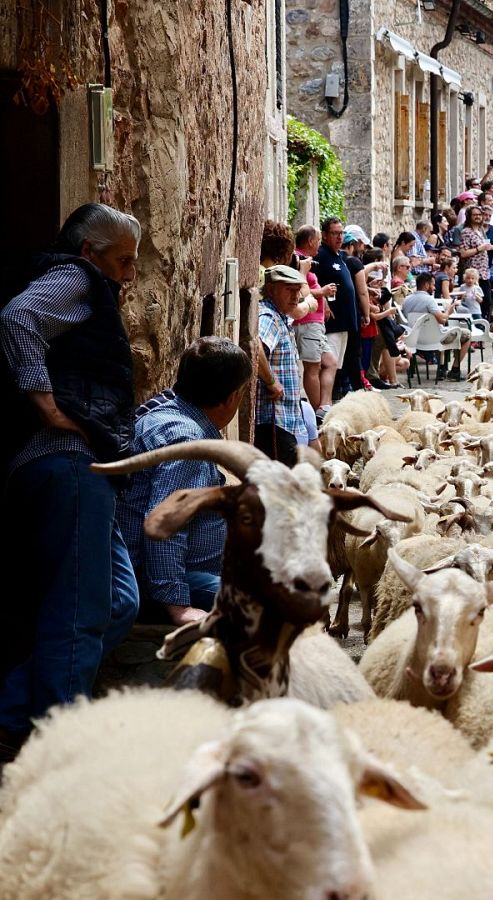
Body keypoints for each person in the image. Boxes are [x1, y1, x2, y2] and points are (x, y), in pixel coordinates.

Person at [0, 203, 143, 760]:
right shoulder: (73, 276)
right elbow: (17, 318)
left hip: (85, 468)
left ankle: (13, 712)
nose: (129, 275)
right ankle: (56, 746)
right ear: (90, 253)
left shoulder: (87, 283)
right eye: (123, 262)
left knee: (119, 602)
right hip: (67, 460)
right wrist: (48, 406)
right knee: (81, 612)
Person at [118, 337, 252, 625]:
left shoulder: (169, 412)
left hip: (187, 570)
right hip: (161, 579)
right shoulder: (186, 439)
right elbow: (166, 524)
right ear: (232, 398)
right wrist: (178, 607)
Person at [255, 265, 310, 463]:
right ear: (271, 290)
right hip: (272, 419)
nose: (295, 296)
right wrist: (270, 382)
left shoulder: (280, 317)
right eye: (289, 290)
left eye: (297, 290)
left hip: (282, 419)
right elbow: (256, 347)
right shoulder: (269, 318)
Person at [312, 217, 361, 400]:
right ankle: (324, 403)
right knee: (328, 365)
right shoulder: (321, 256)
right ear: (325, 235)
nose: (339, 237)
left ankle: (330, 401)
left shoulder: (338, 256)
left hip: (345, 322)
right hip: (332, 322)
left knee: (337, 367)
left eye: (341, 233)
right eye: (334, 233)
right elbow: (312, 281)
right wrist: (323, 301)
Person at [293, 225, 338, 415]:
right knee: (313, 366)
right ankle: (317, 410)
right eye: (318, 240)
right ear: (311, 241)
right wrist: (323, 292)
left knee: (330, 362)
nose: (320, 245)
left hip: (315, 321)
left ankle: (323, 406)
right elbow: (297, 289)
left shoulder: (306, 260)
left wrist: (324, 301)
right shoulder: (296, 260)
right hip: (307, 321)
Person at [401, 272, 467, 379]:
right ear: (426, 285)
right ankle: (454, 370)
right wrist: (449, 310)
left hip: (413, 339)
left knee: (439, 330)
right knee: (466, 334)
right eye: (433, 284)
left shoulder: (406, 299)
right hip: (434, 339)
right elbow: (442, 320)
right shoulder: (429, 300)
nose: (435, 287)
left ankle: (441, 368)